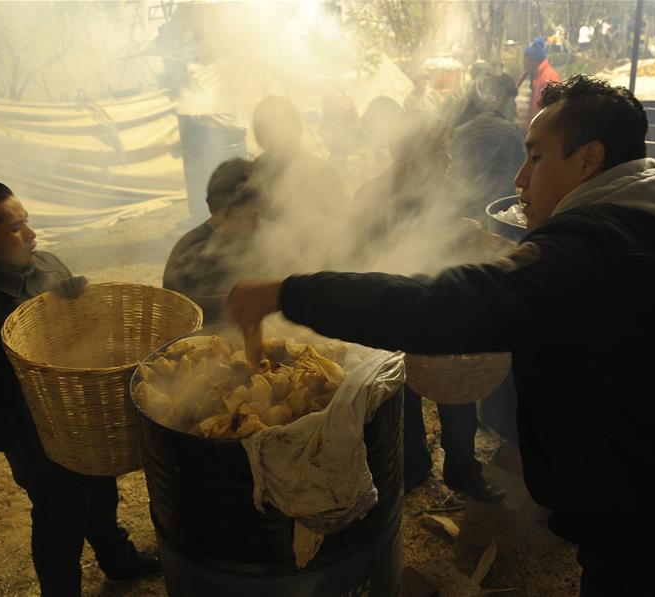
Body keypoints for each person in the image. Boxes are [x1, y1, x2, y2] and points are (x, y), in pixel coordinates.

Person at [228, 75, 655, 596]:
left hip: (646, 533)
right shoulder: (653, 227)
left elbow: (437, 306)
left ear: (588, 160)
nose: (520, 178)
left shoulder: (592, 254)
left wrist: (290, 293)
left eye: (535, 158)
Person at [0, 180, 160, 597]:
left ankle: (117, 559)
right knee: (60, 526)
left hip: (89, 431)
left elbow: (80, 334)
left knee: (102, 496)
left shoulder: (46, 266)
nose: (32, 234)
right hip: (43, 454)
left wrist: (79, 300)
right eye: (16, 228)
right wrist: (36, 437)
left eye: (28, 221)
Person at [352, 113, 504, 502]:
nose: (450, 161)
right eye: (442, 152)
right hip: (394, 311)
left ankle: (461, 469)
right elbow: (360, 257)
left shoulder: (447, 191)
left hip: (443, 309)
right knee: (402, 393)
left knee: (457, 393)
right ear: (416, 157)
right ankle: (412, 467)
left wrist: (466, 236)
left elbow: (461, 250)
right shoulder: (373, 196)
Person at [163, 158, 301, 322]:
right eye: (241, 218)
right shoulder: (190, 247)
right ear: (211, 208)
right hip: (207, 337)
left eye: (256, 215)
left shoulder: (276, 236)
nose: (254, 224)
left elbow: (297, 286)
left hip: (274, 331)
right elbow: (172, 308)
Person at [250, 95, 347, 269]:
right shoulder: (250, 175)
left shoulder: (323, 173)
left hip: (319, 268)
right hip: (269, 268)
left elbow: (342, 226)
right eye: (273, 131)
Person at [450, 74, 526, 218]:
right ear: (502, 101)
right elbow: (522, 173)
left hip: (464, 209)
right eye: (512, 101)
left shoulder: (462, 130)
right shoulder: (511, 133)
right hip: (498, 212)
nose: (515, 107)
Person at [520, 36, 561, 128]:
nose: (523, 62)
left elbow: (551, 112)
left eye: (525, 59)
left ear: (533, 61)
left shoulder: (549, 78)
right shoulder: (532, 74)